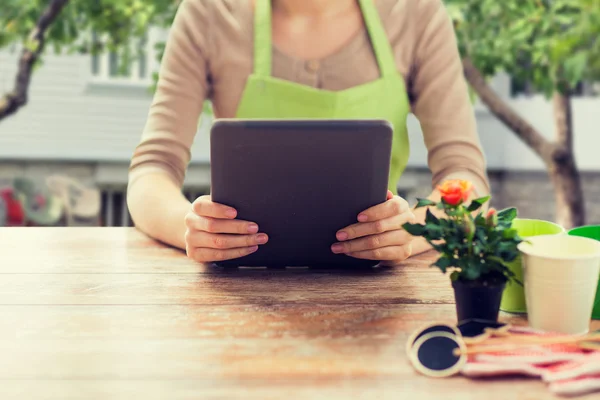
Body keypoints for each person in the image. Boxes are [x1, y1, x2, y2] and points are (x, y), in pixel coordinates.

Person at [127, 0, 490, 266]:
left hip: (373, 292)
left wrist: (414, 228)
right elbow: (152, 169)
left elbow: (466, 176)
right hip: (243, 294)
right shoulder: (209, 13)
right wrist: (192, 228)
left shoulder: (417, 15)